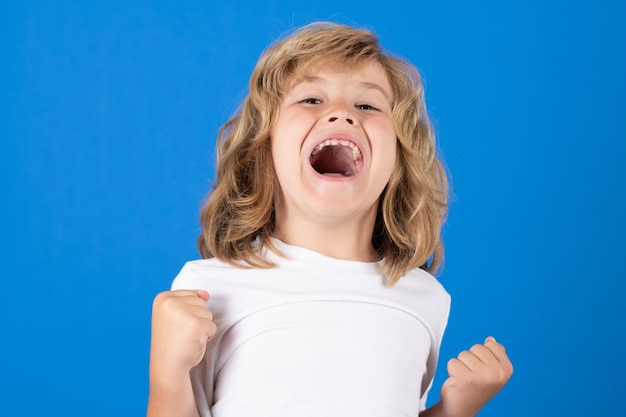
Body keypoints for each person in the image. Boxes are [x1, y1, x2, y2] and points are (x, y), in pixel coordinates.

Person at [147, 22, 513, 417]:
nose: (341, 114)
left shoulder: (424, 299)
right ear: (264, 147)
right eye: (310, 100)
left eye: (367, 106)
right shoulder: (209, 290)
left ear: (400, 158)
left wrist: (457, 409)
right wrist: (166, 372)